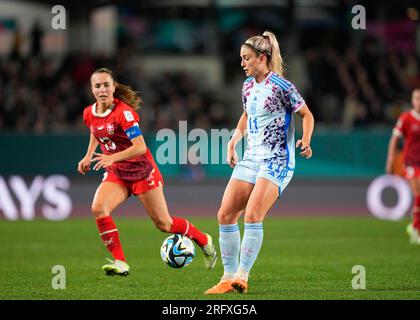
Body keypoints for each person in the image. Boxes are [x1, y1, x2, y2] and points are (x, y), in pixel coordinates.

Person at [204, 31, 314, 294]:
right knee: (225, 214)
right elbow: (246, 115)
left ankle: (242, 276)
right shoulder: (247, 86)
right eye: (241, 59)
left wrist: (307, 140)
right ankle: (227, 278)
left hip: (277, 160)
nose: (242, 63)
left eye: (246, 58)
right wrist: (233, 141)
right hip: (252, 157)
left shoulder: (282, 87)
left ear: (261, 58)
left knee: (253, 214)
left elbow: (306, 114)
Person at [78, 68, 217, 276]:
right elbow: (95, 130)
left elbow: (140, 147)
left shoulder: (124, 113)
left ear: (114, 87)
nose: (102, 89)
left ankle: (204, 240)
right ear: (92, 89)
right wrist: (89, 155)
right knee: (99, 208)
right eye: (97, 85)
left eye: (106, 85)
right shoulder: (89, 113)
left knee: (164, 223)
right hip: (117, 173)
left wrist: (111, 157)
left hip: (142, 171)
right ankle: (120, 262)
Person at [386, 88, 420, 245]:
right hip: (411, 162)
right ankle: (415, 228)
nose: (418, 102)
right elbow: (394, 140)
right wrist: (390, 161)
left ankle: (414, 226)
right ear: (412, 101)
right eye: (416, 98)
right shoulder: (406, 118)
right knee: (418, 192)